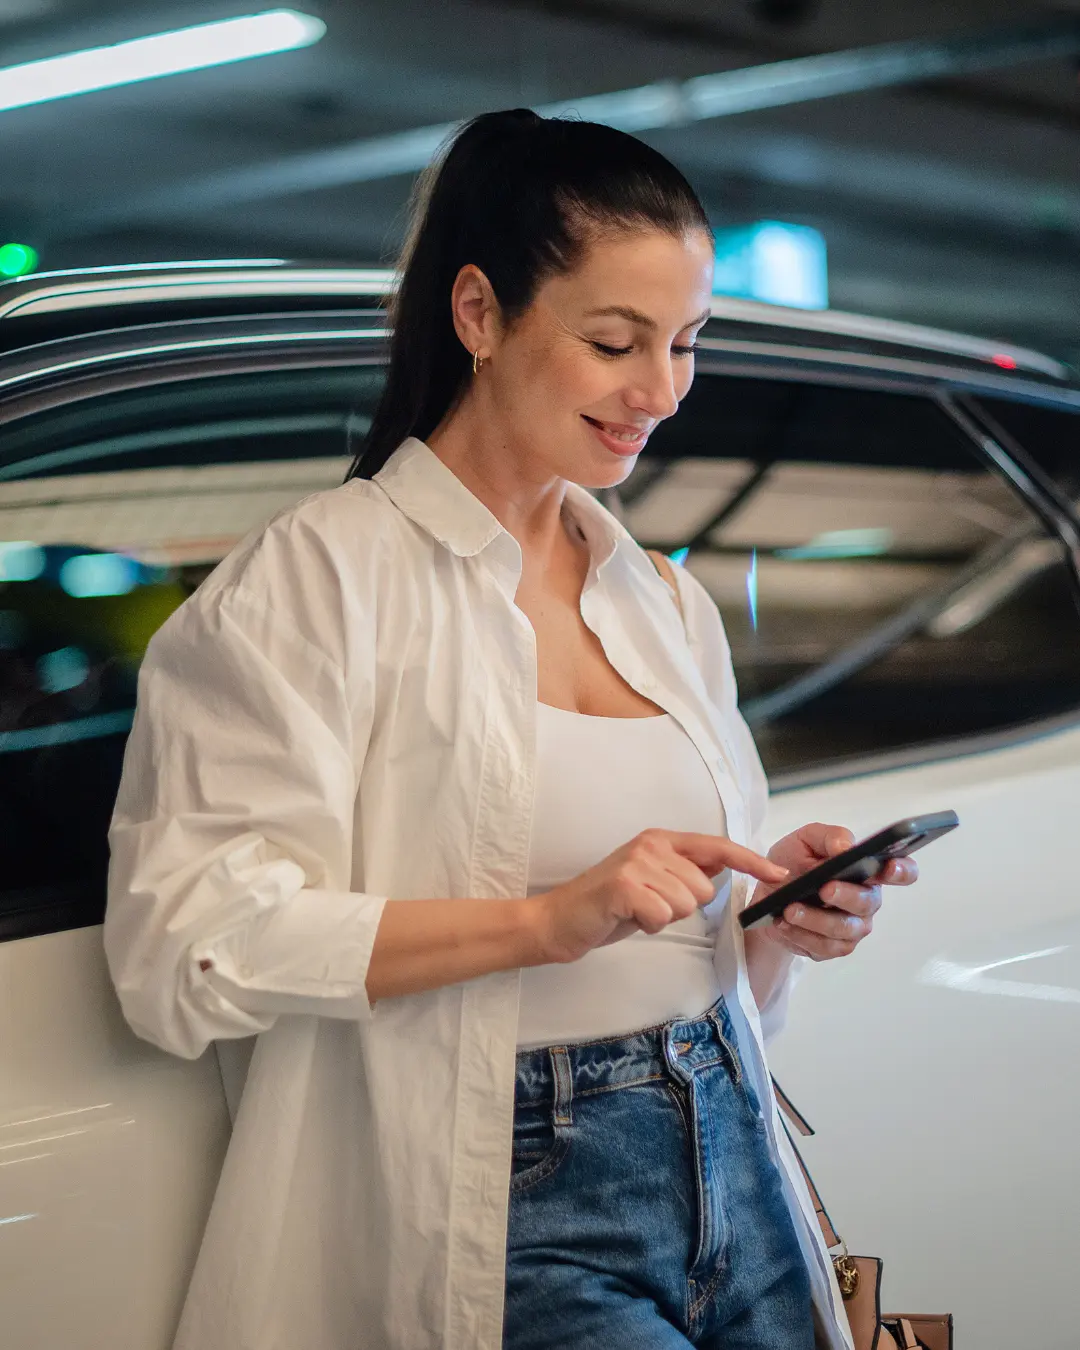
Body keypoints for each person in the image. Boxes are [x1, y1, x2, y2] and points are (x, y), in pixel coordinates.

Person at [104, 110, 918, 1350]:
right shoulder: (313, 584)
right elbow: (184, 948)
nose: (662, 391)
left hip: (726, 1136)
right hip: (509, 1193)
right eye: (614, 341)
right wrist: (541, 922)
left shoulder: (663, 600)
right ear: (480, 313)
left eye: (687, 343)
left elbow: (694, 954)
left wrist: (776, 921)